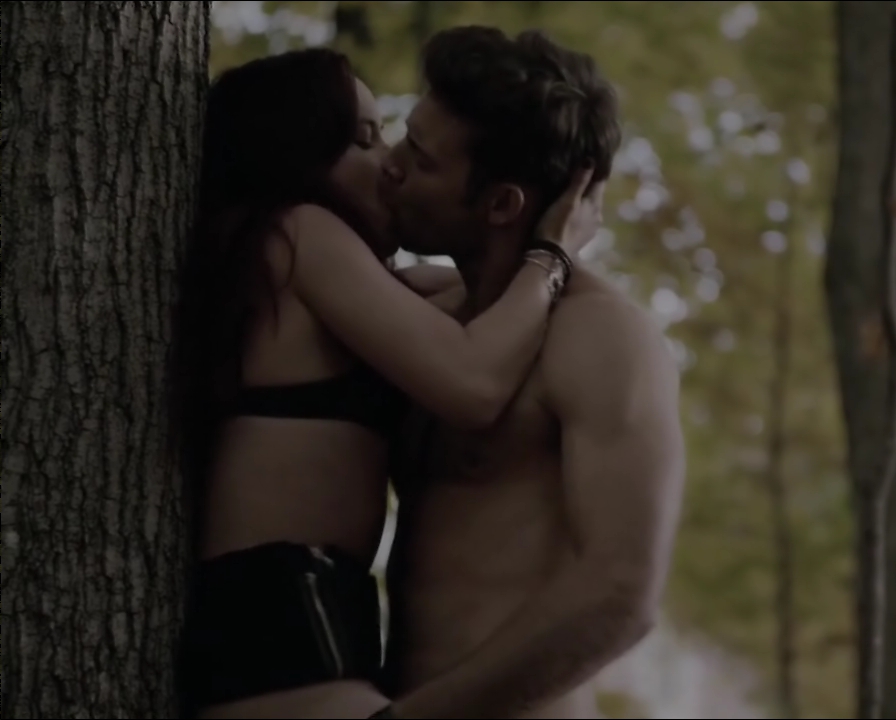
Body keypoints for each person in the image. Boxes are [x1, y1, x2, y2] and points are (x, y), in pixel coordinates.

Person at [166, 47, 604, 719]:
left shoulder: (305, 262)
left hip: (307, 644)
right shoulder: (299, 230)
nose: (389, 163)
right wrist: (551, 256)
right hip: (276, 642)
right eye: (364, 140)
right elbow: (473, 383)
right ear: (298, 154)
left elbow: (464, 302)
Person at [378, 27, 687, 719]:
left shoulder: (603, 337)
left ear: (500, 205)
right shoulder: (431, 317)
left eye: (420, 160)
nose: (390, 165)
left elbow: (622, 594)